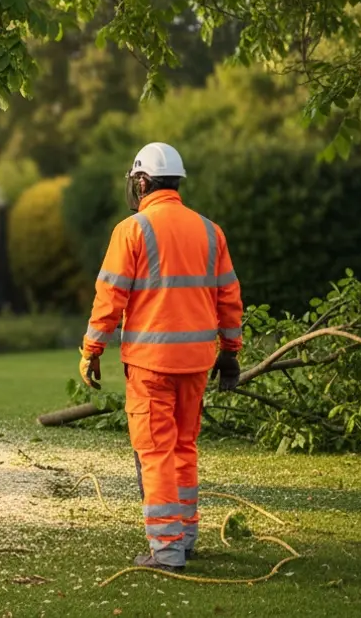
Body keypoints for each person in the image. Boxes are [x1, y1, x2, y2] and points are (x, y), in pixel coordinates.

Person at [78, 142, 244, 572]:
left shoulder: (132, 230)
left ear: (142, 182)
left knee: (155, 453)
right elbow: (229, 298)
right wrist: (230, 354)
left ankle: (166, 551)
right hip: (196, 363)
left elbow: (109, 296)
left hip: (152, 364)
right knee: (184, 448)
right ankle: (185, 537)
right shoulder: (211, 231)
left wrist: (92, 349)